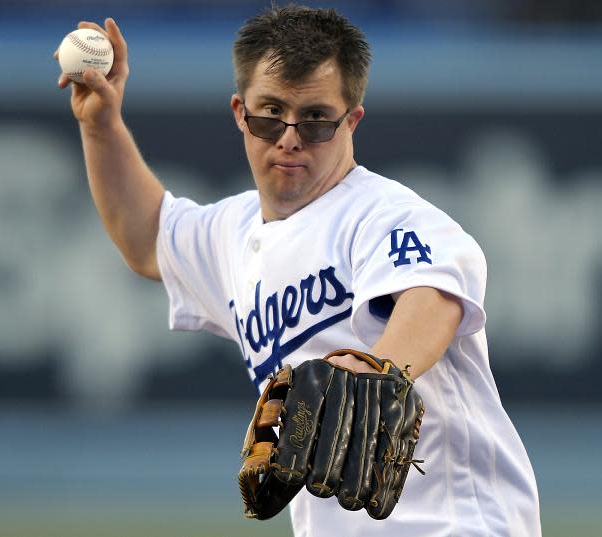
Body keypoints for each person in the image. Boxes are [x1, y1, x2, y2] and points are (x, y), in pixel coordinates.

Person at [56, 6, 541, 536]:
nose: (289, 136)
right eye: (271, 114)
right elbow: (147, 240)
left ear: (350, 121)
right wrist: (100, 125)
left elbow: (432, 294)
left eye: (314, 119)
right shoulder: (232, 233)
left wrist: (378, 369)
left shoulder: (384, 214)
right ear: (241, 113)